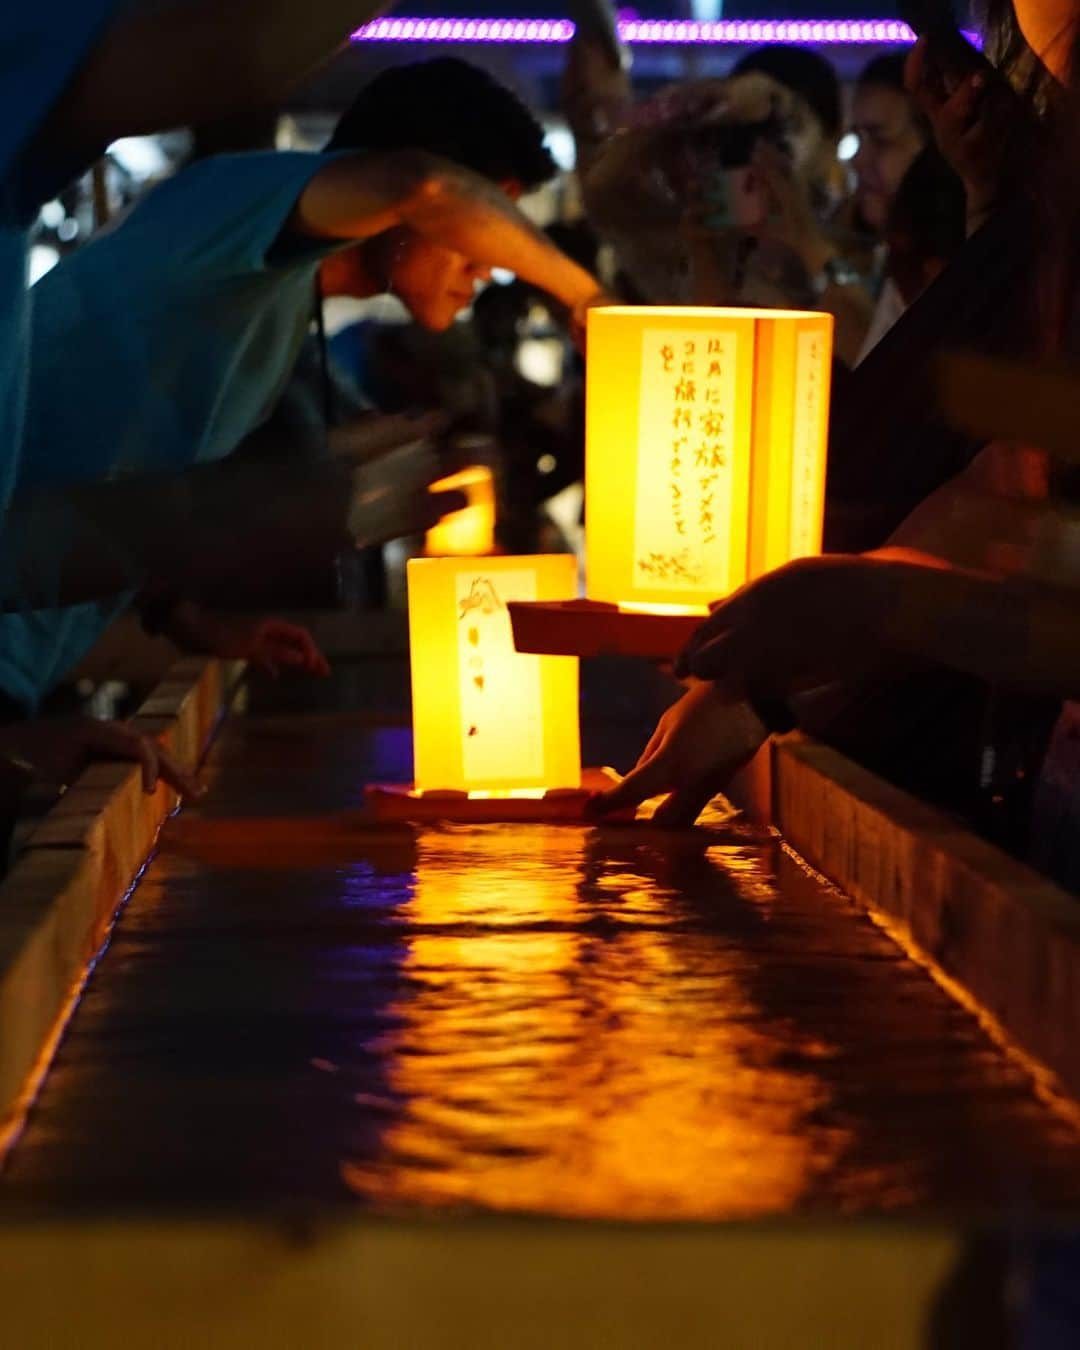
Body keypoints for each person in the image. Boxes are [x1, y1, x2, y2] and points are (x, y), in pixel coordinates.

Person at [0, 59, 605, 793]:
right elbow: (423, 184)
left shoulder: (270, 308)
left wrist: (188, 618)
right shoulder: (232, 199)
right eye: (488, 217)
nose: (489, 264)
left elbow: (121, 480)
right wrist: (588, 300)